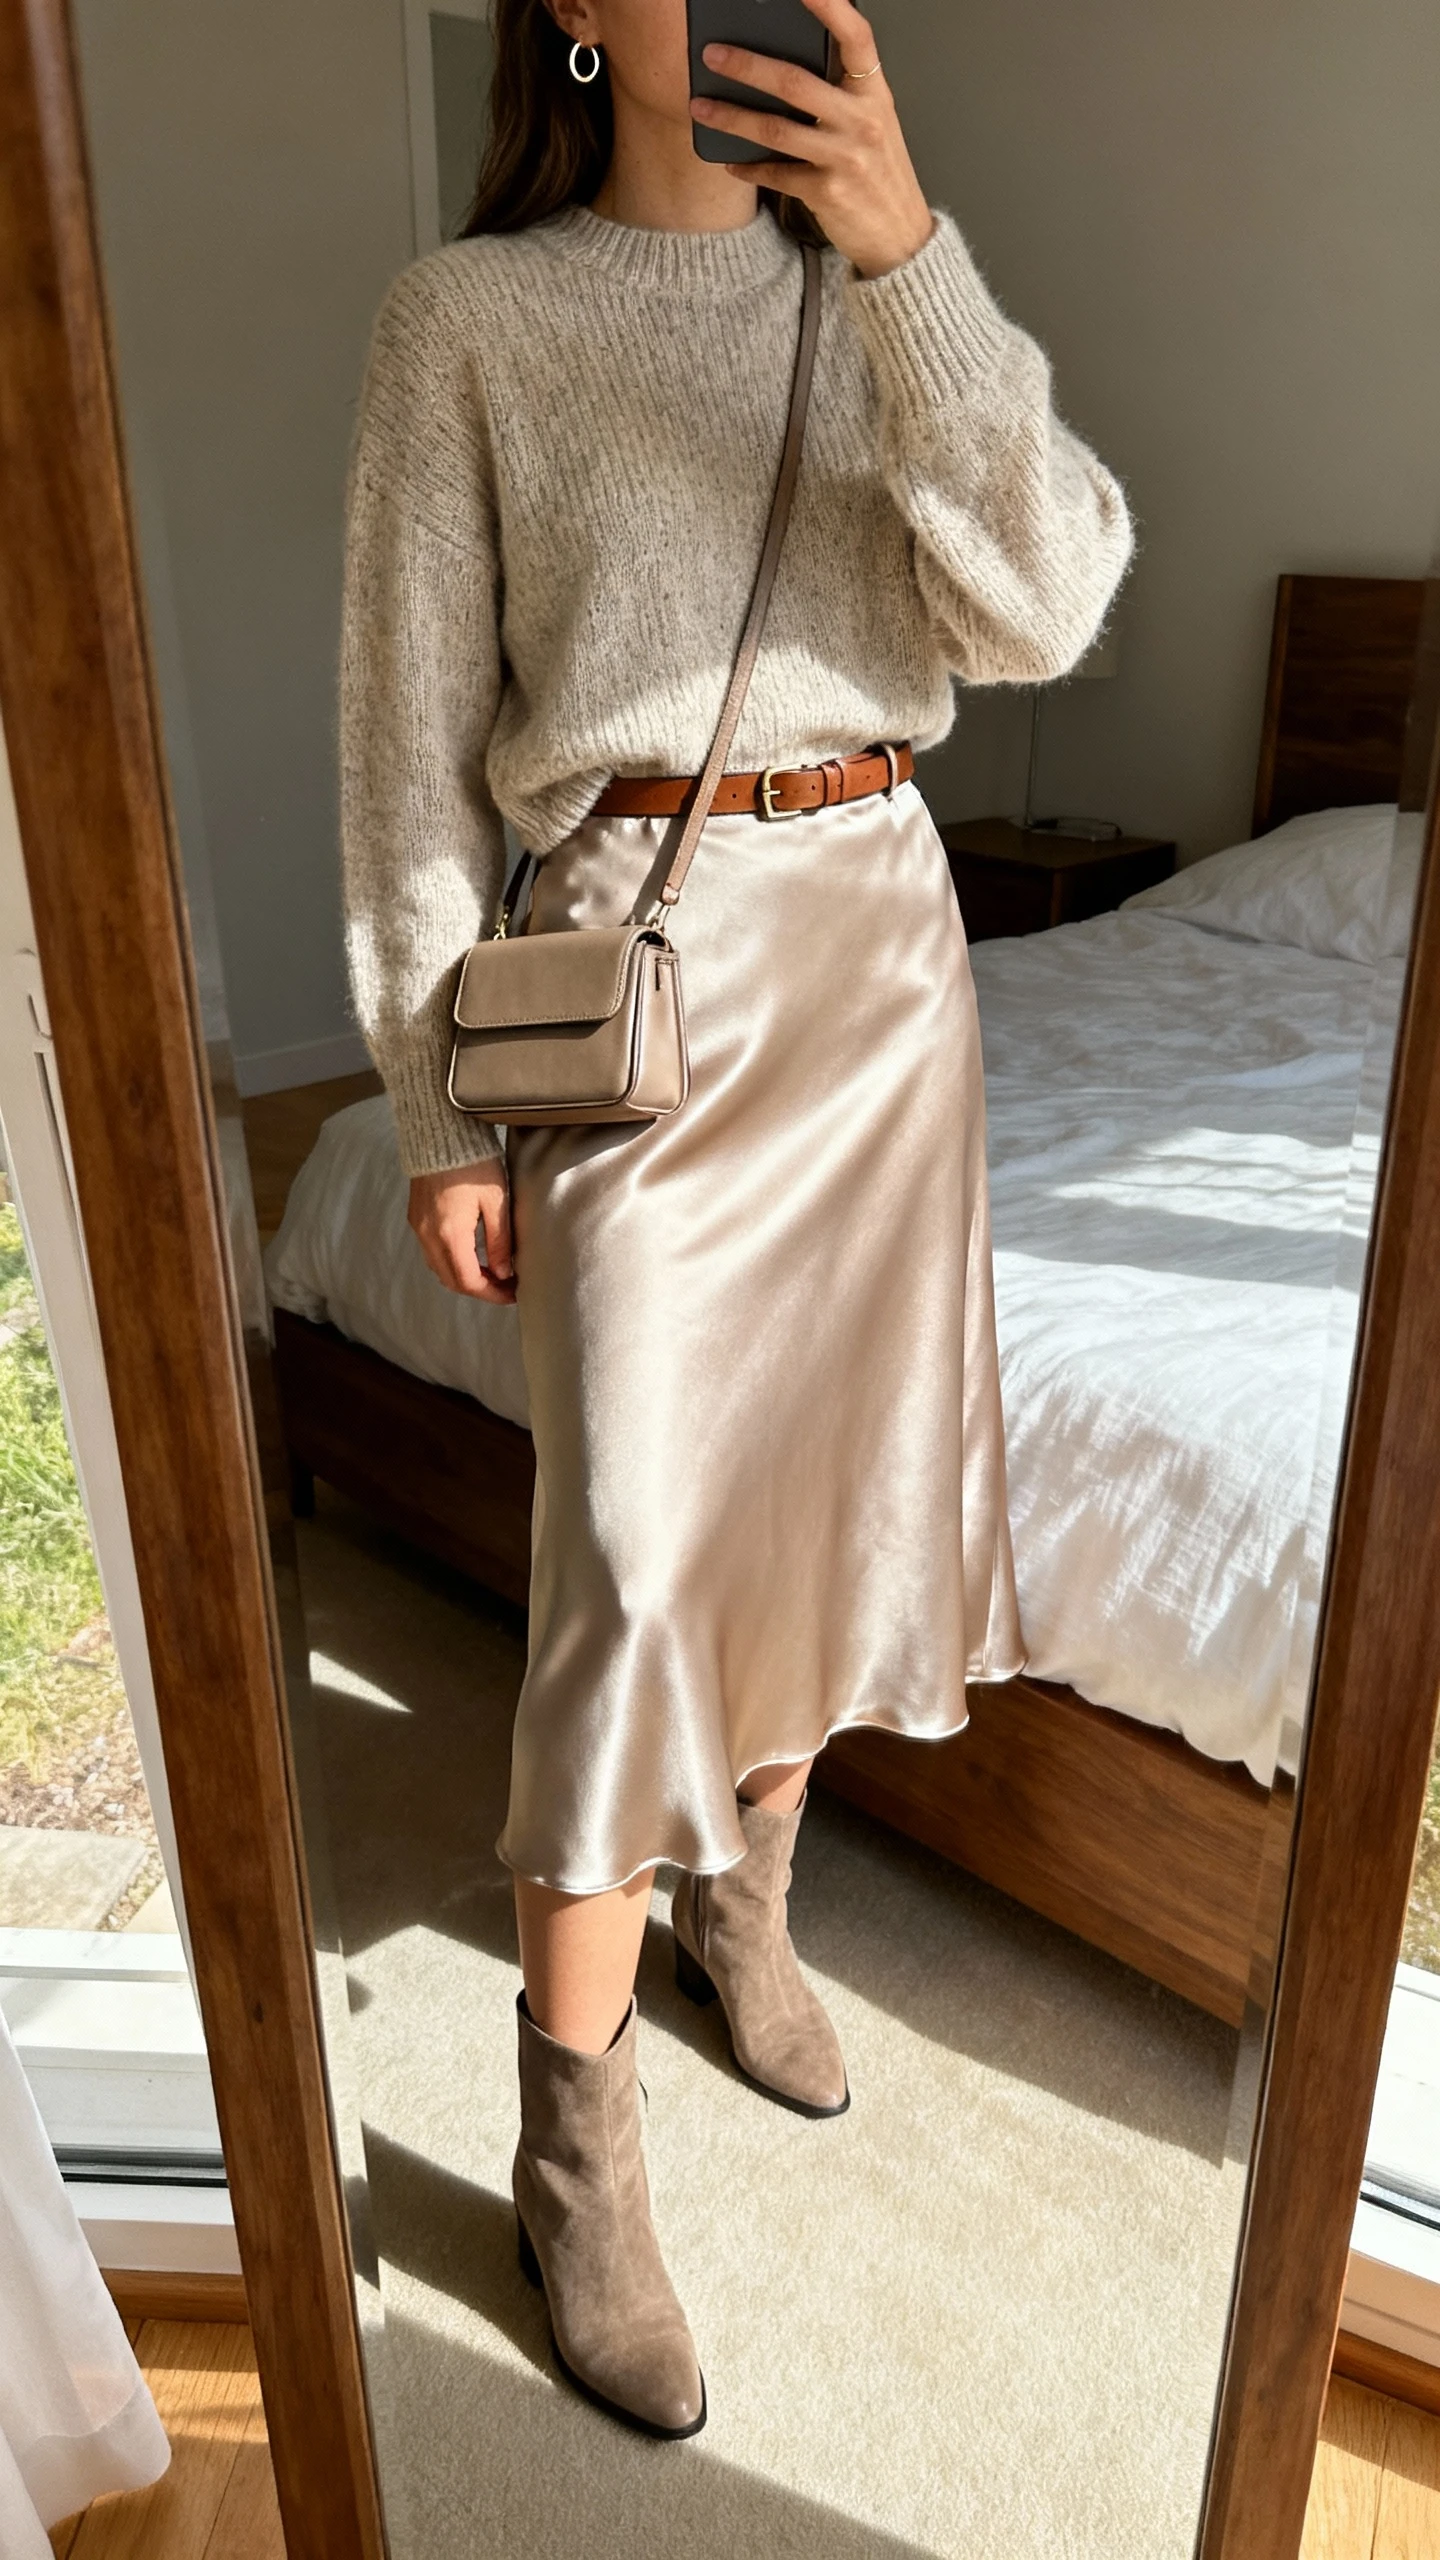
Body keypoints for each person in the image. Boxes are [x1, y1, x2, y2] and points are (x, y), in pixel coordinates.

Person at [339, 0, 1131, 2441]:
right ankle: (573, 2133)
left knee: (816, 1509)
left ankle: (744, 1907)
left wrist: (910, 255)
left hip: (884, 951)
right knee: (644, 1562)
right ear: (575, 7)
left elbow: (1050, 600)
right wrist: (436, 1101)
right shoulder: (466, 318)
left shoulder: (883, 287)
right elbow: (402, 744)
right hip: (640, 979)